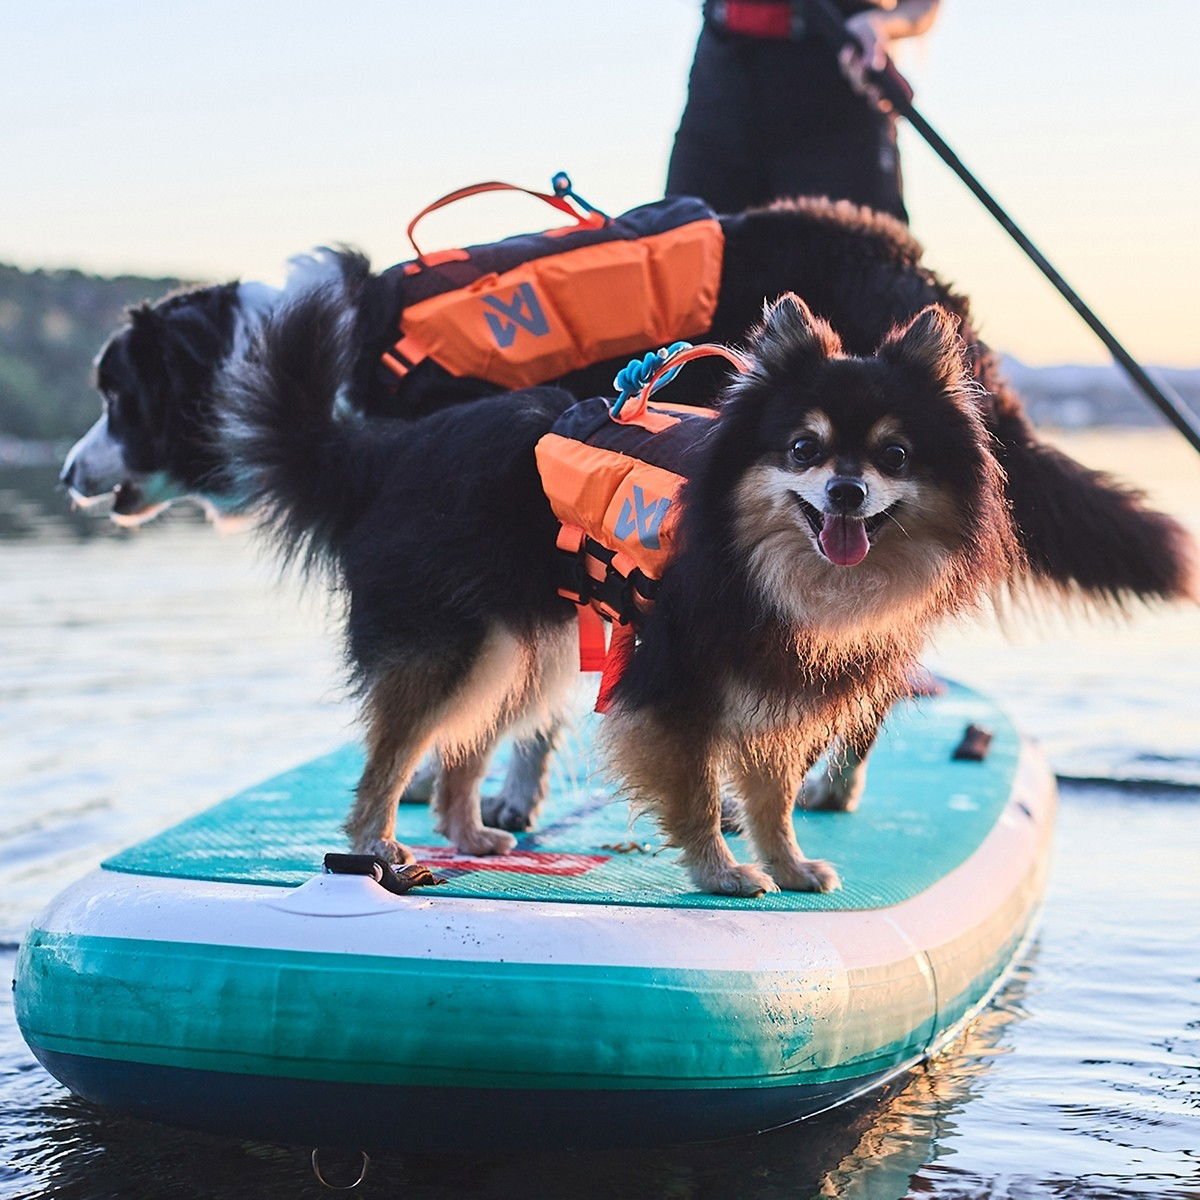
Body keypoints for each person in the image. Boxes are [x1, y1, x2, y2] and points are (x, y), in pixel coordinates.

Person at [666, 0, 941, 222]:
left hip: (839, 81)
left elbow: (922, 5)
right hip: (723, 76)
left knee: (861, 274)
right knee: (683, 252)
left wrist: (882, 24)